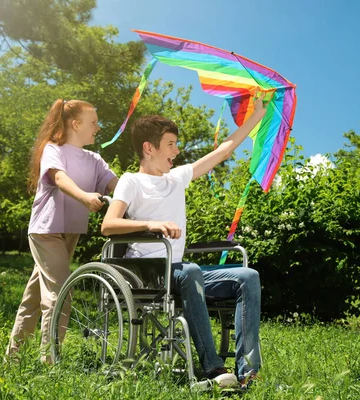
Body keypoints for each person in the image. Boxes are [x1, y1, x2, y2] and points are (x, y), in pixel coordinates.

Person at [101, 92, 267, 388]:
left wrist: (256, 116)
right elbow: (109, 225)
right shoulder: (131, 181)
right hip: (148, 273)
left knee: (248, 276)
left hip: (178, 269)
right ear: (148, 148)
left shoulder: (176, 178)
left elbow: (224, 151)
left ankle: (247, 372)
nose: (177, 151)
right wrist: (151, 223)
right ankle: (214, 370)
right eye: (171, 144)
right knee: (189, 270)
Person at [7, 99, 118, 362]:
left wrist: (144, 190)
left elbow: (117, 185)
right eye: (93, 122)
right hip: (47, 231)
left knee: (34, 298)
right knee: (59, 295)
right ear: (75, 123)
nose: (98, 128)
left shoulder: (95, 159)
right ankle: (50, 361)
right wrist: (84, 196)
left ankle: (12, 358)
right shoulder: (52, 150)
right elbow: (58, 178)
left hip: (70, 232)